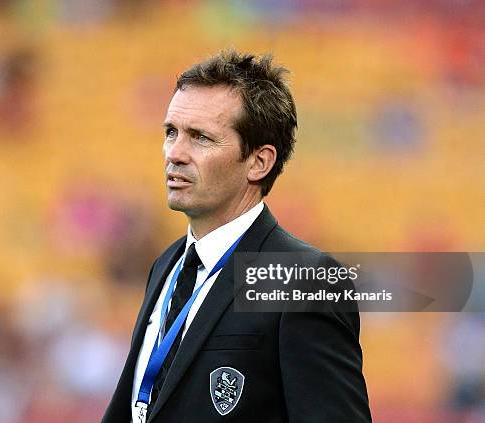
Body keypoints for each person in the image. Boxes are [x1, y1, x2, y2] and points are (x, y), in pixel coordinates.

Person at [103, 50, 371, 422]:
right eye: (171, 132)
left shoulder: (302, 280)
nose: (174, 153)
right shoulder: (167, 265)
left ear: (259, 162)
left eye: (200, 138)